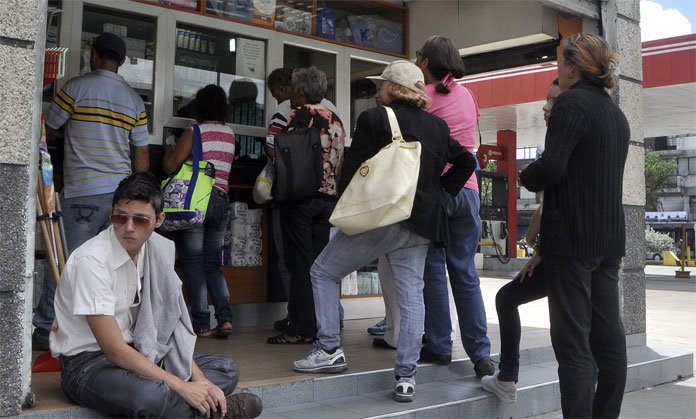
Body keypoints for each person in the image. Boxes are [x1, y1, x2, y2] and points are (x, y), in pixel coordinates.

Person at [293, 60, 477, 403]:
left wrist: (343, 214)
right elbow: (467, 162)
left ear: (394, 87)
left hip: (384, 218)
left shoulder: (375, 119)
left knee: (322, 271)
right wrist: (439, 193)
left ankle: (329, 349)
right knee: (411, 296)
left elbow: (351, 170)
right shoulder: (437, 125)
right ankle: (406, 376)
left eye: (381, 86)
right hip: (422, 224)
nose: (376, 91)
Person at [50, 173, 262, 418]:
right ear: (112, 213)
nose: (128, 228)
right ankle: (215, 413)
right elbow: (114, 350)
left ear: (159, 220)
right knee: (149, 396)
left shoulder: (157, 251)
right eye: (120, 217)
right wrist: (181, 386)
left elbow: (167, 326)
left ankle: (188, 406)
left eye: (140, 220)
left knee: (226, 369)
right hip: (88, 365)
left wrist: (200, 381)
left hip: (142, 350)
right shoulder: (92, 261)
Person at [519, 33, 629, 418]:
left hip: (572, 240)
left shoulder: (570, 105)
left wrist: (525, 174)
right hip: (609, 241)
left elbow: (551, 168)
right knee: (609, 341)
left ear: (570, 69)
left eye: (559, 66)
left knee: (573, 345)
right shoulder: (616, 114)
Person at [33, 32, 150, 351]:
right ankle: (103, 333)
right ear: (122, 62)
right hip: (119, 198)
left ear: (94, 55)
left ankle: (45, 329)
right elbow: (141, 155)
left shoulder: (75, 87)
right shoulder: (134, 100)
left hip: (82, 192)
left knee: (67, 262)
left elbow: (49, 127)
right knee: (110, 266)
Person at [413, 35, 494, 377]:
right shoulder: (468, 94)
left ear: (427, 63)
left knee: (433, 269)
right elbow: (471, 139)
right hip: (469, 191)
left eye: (419, 58)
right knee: (465, 273)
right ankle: (481, 353)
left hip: (439, 190)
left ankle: (439, 345)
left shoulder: (422, 97)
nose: (417, 63)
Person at [480, 78, 562, 403]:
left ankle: (509, 377)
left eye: (552, 101)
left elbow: (550, 200)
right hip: (563, 253)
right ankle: (507, 377)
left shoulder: (560, 143)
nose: (544, 107)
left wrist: (540, 246)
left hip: (565, 254)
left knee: (509, 299)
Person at [266, 67, 346, 344]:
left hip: (300, 198)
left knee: (299, 264)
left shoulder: (298, 116)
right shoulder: (336, 120)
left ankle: (299, 328)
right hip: (327, 200)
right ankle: (324, 325)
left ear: (300, 92)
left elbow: (277, 148)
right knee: (320, 266)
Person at [163, 84, 236, 338]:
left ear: (199, 107)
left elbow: (171, 165)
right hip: (222, 200)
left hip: (198, 201)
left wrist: (170, 146)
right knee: (212, 264)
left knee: (193, 262)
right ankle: (225, 319)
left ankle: (202, 322)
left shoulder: (194, 131)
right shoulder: (229, 134)